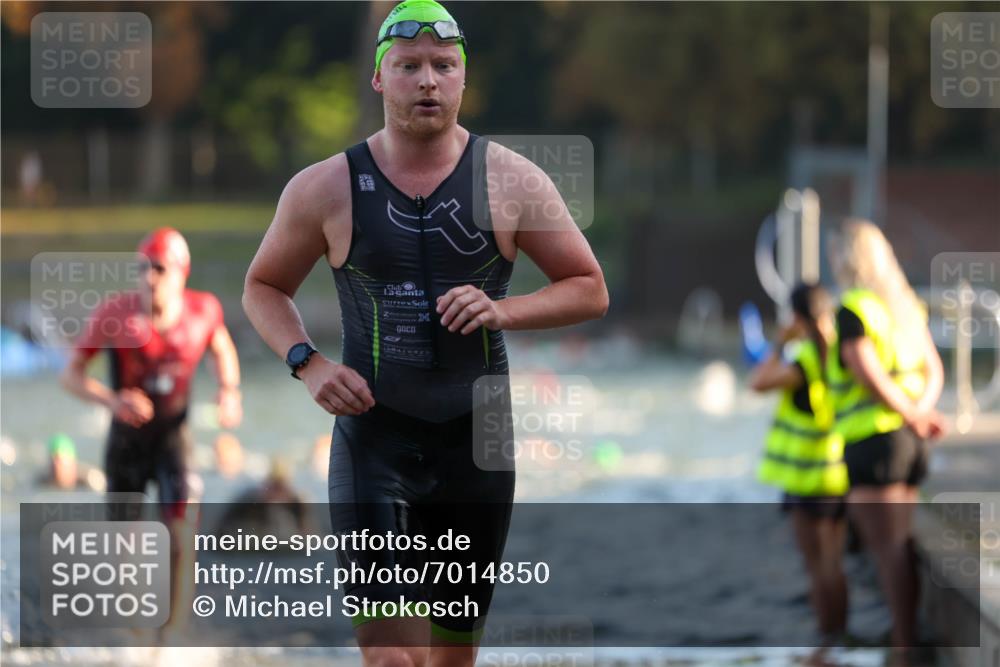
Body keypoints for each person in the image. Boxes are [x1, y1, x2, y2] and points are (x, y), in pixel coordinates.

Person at [241, 1, 608, 664]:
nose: (428, 80)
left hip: (479, 440)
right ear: (380, 78)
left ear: (465, 79)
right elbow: (263, 286)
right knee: (390, 658)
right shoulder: (325, 187)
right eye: (408, 66)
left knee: (450, 658)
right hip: (374, 435)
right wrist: (309, 362)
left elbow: (589, 287)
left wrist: (505, 310)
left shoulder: (513, 181)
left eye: (444, 65)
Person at [60, 227, 243, 640]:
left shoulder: (204, 310)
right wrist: (112, 401)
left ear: (181, 271)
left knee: (180, 536)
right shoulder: (115, 314)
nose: (148, 277)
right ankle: (136, 638)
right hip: (125, 444)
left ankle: (171, 637)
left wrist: (229, 391)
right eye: (141, 268)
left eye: (158, 268)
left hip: (173, 440)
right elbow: (69, 377)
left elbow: (222, 349)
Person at [827, 219, 945, 651]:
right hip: (910, 443)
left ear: (847, 258)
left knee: (887, 551)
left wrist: (911, 414)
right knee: (901, 544)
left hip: (875, 443)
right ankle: (907, 637)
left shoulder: (853, 308)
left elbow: (867, 372)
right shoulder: (905, 306)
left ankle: (903, 644)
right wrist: (921, 414)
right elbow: (934, 368)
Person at [751, 283, 848, 646]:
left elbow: (757, 382)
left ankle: (827, 642)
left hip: (808, 478)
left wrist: (779, 342)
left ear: (795, 317)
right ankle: (841, 640)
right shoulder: (840, 352)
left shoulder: (804, 359)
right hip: (839, 472)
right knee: (835, 565)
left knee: (817, 567)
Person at [36, 433, 106, 492]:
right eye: (51, 460)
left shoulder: (91, 481)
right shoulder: (41, 481)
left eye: (58, 460)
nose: (54, 465)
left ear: (72, 462)